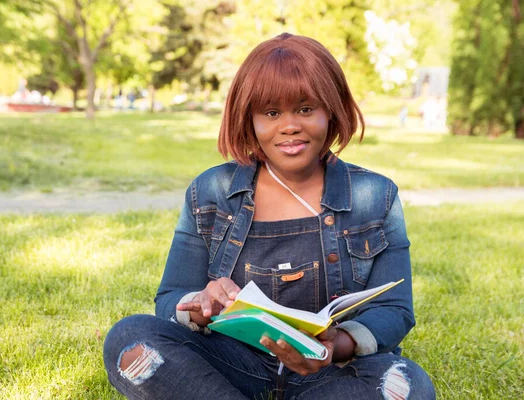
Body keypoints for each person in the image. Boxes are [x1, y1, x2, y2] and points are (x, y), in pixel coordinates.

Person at [103, 33, 435, 399]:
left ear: (331, 109)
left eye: (306, 109)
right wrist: (200, 305)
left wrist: (336, 346)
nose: (289, 125)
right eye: (272, 112)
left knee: (406, 386)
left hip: (330, 371)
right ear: (250, 118)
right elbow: (170, 297)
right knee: (130, 340)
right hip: (232, 365)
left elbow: (395, 310)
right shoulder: (210, 191)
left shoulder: (377, 196)